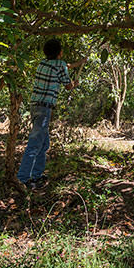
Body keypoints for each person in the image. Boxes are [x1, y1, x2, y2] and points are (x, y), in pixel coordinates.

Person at [17, 38, 85, 189]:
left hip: (35, 106)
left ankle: (37, 176)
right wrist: (75, 84)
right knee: (35, 143)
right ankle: (23, 179)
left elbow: (65, 65)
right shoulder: (60, 65)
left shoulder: (43, 64)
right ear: (60, 53)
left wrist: (78, 63)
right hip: (44, 108)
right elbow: (68, 86)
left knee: (43, 143)